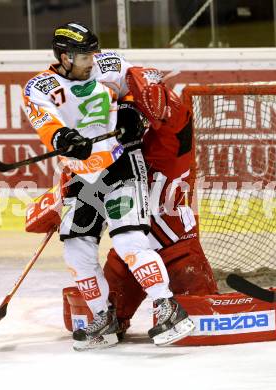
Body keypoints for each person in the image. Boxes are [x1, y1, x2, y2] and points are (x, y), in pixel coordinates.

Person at [22, 22, 194, 350]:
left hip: (121, 165)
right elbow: (47, 124)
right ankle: (105, 318)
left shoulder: (108, 62)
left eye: (92, 53)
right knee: (75, 249)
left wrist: (131, 108)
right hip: (79, 177)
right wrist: (64, 139)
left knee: (130, 241)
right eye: (83, 56)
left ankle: (168, 308)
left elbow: (141, 80)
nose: (92, 60)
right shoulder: (39, 87)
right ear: (64, 57)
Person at [103, 66, 219, 335]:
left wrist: (143, 92)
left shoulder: (169, 140)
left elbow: (170, 111)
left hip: (177, 247)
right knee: (94, 321)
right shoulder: (107, 149)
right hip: (129, 251)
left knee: (204, 320)